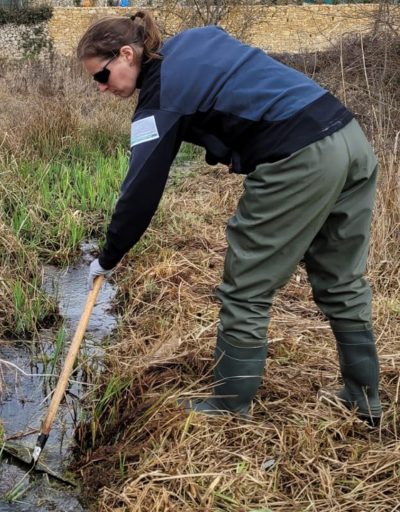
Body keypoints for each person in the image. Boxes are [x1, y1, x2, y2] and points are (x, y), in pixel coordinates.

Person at [79, 12, 382, 425]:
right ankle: (363, 399)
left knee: (246, 290)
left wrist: (109, 256)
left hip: (300, 157)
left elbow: (139, 194)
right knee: (342, 280)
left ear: (127, 54)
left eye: (101, 76)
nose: (101, 89)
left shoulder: (161, 95)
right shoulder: (194, 40)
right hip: (349, 138)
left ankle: (229, 405)